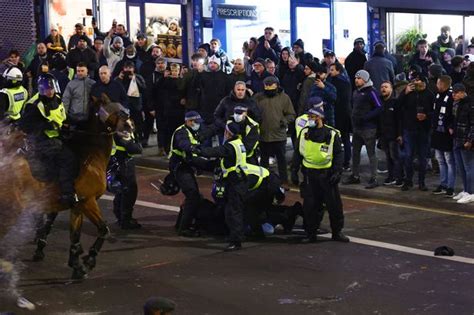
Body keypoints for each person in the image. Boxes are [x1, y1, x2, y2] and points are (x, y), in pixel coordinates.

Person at [19, 74, 79, 207]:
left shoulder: (56, 99)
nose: (50, 91)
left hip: (57, 137)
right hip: (42, 141)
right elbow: (24, 125)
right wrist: (46, 125)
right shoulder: (34, 105)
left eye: (52, 88)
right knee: (68, 158)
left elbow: (63, 116)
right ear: (41, 89)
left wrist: (73, 123)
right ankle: (66, 194)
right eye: (47, 89)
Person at [293, 106, 349, 243]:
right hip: (309, 175)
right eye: (309, 117)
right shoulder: (304, 133)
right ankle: (310, 234)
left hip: (327, 175)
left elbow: (339, 154)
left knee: (334, 206)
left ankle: (337, 232)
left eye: (312, 117)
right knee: (310, 206)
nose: (309, 119)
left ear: (320, 118)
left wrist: (337, 171)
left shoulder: (332, 133)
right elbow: (298, 153)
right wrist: (294, 170)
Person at [193, 122, 248, 251]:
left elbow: (215, 151)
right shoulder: (238, 143)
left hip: (235, 183)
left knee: (233, 212)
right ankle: (235, 236)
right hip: (237, 181)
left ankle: (236, 240)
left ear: (228, 133)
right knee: (232, 210)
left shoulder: (230, 146)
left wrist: (198, 149)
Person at [169, 111, 210, 236]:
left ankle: (180, 224)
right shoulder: (181, 132)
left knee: (192, 195)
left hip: (186, 165)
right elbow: (184, 144)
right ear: (189, 121)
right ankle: (184, 228)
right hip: (180, 166)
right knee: (192, 195)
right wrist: (193, 148)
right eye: (196, 122)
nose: (198, 125)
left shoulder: (193, 130)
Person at [343, 70, 382, 189]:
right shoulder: (356, 92)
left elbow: (379, 108)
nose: (356, 80)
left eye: (359, 78)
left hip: (368, 128)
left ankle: (374, 177)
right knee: (355, 153)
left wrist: (366, 118)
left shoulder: (372, 92)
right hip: (357, 128)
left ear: (365, 79)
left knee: (371, 154)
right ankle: (355, 175)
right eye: (355, 78)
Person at [254, 76, 296, 185]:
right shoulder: (258, 98)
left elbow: (291, 114)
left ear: (277, 86)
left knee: (281, 161)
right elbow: (251, 112)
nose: (269, 90)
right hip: (263, 135)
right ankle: (263, 182)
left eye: (271, 88)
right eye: (266, 88)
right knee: (263, 161)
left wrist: (284, 121)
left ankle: (284, 181)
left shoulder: (284, 98)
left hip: (279, 135)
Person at [398, 74, 434, 191]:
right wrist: (404, 93)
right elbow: (397, 106)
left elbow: (435, 112)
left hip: (423, 130)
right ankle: (408, 181)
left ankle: (421, 182)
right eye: (413, 81)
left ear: (423, 82)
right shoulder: (409, 93)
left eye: (417, 80)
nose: (415, 83)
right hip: (409, 129)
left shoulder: (429, 95)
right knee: (408, 156)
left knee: (422, 158)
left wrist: (426, 116)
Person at [111, 117, 143, 229]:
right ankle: (125, 220)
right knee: (129, 191)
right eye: (129, 125)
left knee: (122, 191)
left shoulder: (126, 132)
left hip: (124, 162)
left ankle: (121, 217)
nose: (132, 128)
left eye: (132, 124)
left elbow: (138, 146)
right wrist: (130, 141)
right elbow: (136, 149)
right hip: (122, 164)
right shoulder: (121, 134)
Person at [431, 75, 455, 197]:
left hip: (446, 135)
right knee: (440, 160)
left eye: (438, 83)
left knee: (449, 161)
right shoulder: (438, 95)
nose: (437, 85)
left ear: (443, 84)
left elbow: (453, 115)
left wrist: (450, 127)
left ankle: (450, 186)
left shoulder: (451, 97)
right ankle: (443, 183)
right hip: (437, 133)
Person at [451, 83, 474, 203]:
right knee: (462, 168)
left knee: (469, 167)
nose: (453, 95)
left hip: (466, 141)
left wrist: (470, 140)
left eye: (455, 93)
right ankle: (466, 190)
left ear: (461, 92)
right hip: (457, 139)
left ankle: (471, 192)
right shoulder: (457, 104)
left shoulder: (470, 104)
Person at [328, 62, 353, 171]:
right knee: (343, 138)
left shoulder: (340, 82)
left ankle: (345, 162)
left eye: (332, 70)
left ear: (338, 70)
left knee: (343, 138)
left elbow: (338, 99)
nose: (330, 71)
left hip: (341, 115)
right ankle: (343, 162)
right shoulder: (337, 81)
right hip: (342, 114)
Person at [115, 61, 146, 142]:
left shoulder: (138, 77)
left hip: (136, 105)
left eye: (130, 68)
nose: (128, 70)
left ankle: (139, 140)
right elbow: (114, 89)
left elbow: (143, 89)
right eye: (126, 68)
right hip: (123, 106)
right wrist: (119, 79)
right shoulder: (119, 78)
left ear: (133, 69)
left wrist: (134, 79)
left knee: (138, 124)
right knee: (125, 124)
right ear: (123, 68)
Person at [379, 81, 403, 186]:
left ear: (391, 89)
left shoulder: (395, 103)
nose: (383, 89)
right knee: (388, 157)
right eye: (382, 87)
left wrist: (399, 134)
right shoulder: (379, 102)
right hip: (383, 134)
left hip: (393, 135)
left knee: (395, 157)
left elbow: (399, 120)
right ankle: (391, 176)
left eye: (386, 87)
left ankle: (400, 178)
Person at [62, 62, 95, 127]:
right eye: (78, 71)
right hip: (74, 118)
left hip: (89, 119)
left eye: (82, 71)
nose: (80, 73)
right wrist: (65, 119)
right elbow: (65, 101)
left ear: (87, 71)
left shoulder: (93, 84)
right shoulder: (71, 84)